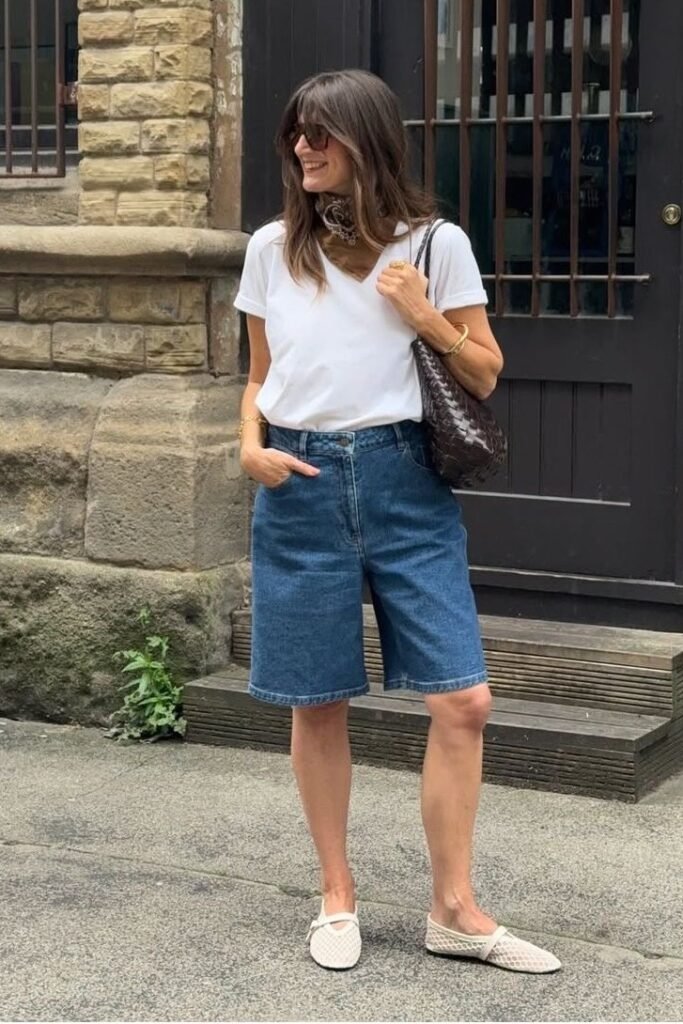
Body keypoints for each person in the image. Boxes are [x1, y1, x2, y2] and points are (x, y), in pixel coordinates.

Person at [234, 68, 560, 975]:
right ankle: (335, 894)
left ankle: (453, 909)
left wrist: (421, 312)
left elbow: (487, 372)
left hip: (403, 480)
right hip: (297, 481)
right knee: (318, 699)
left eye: (321, 133)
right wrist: (248, 445)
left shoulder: (436, 242)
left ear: (367, 141)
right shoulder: (272, 248)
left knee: (463, 699)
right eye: (297, 132)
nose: (303, 146)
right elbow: (257, 375)